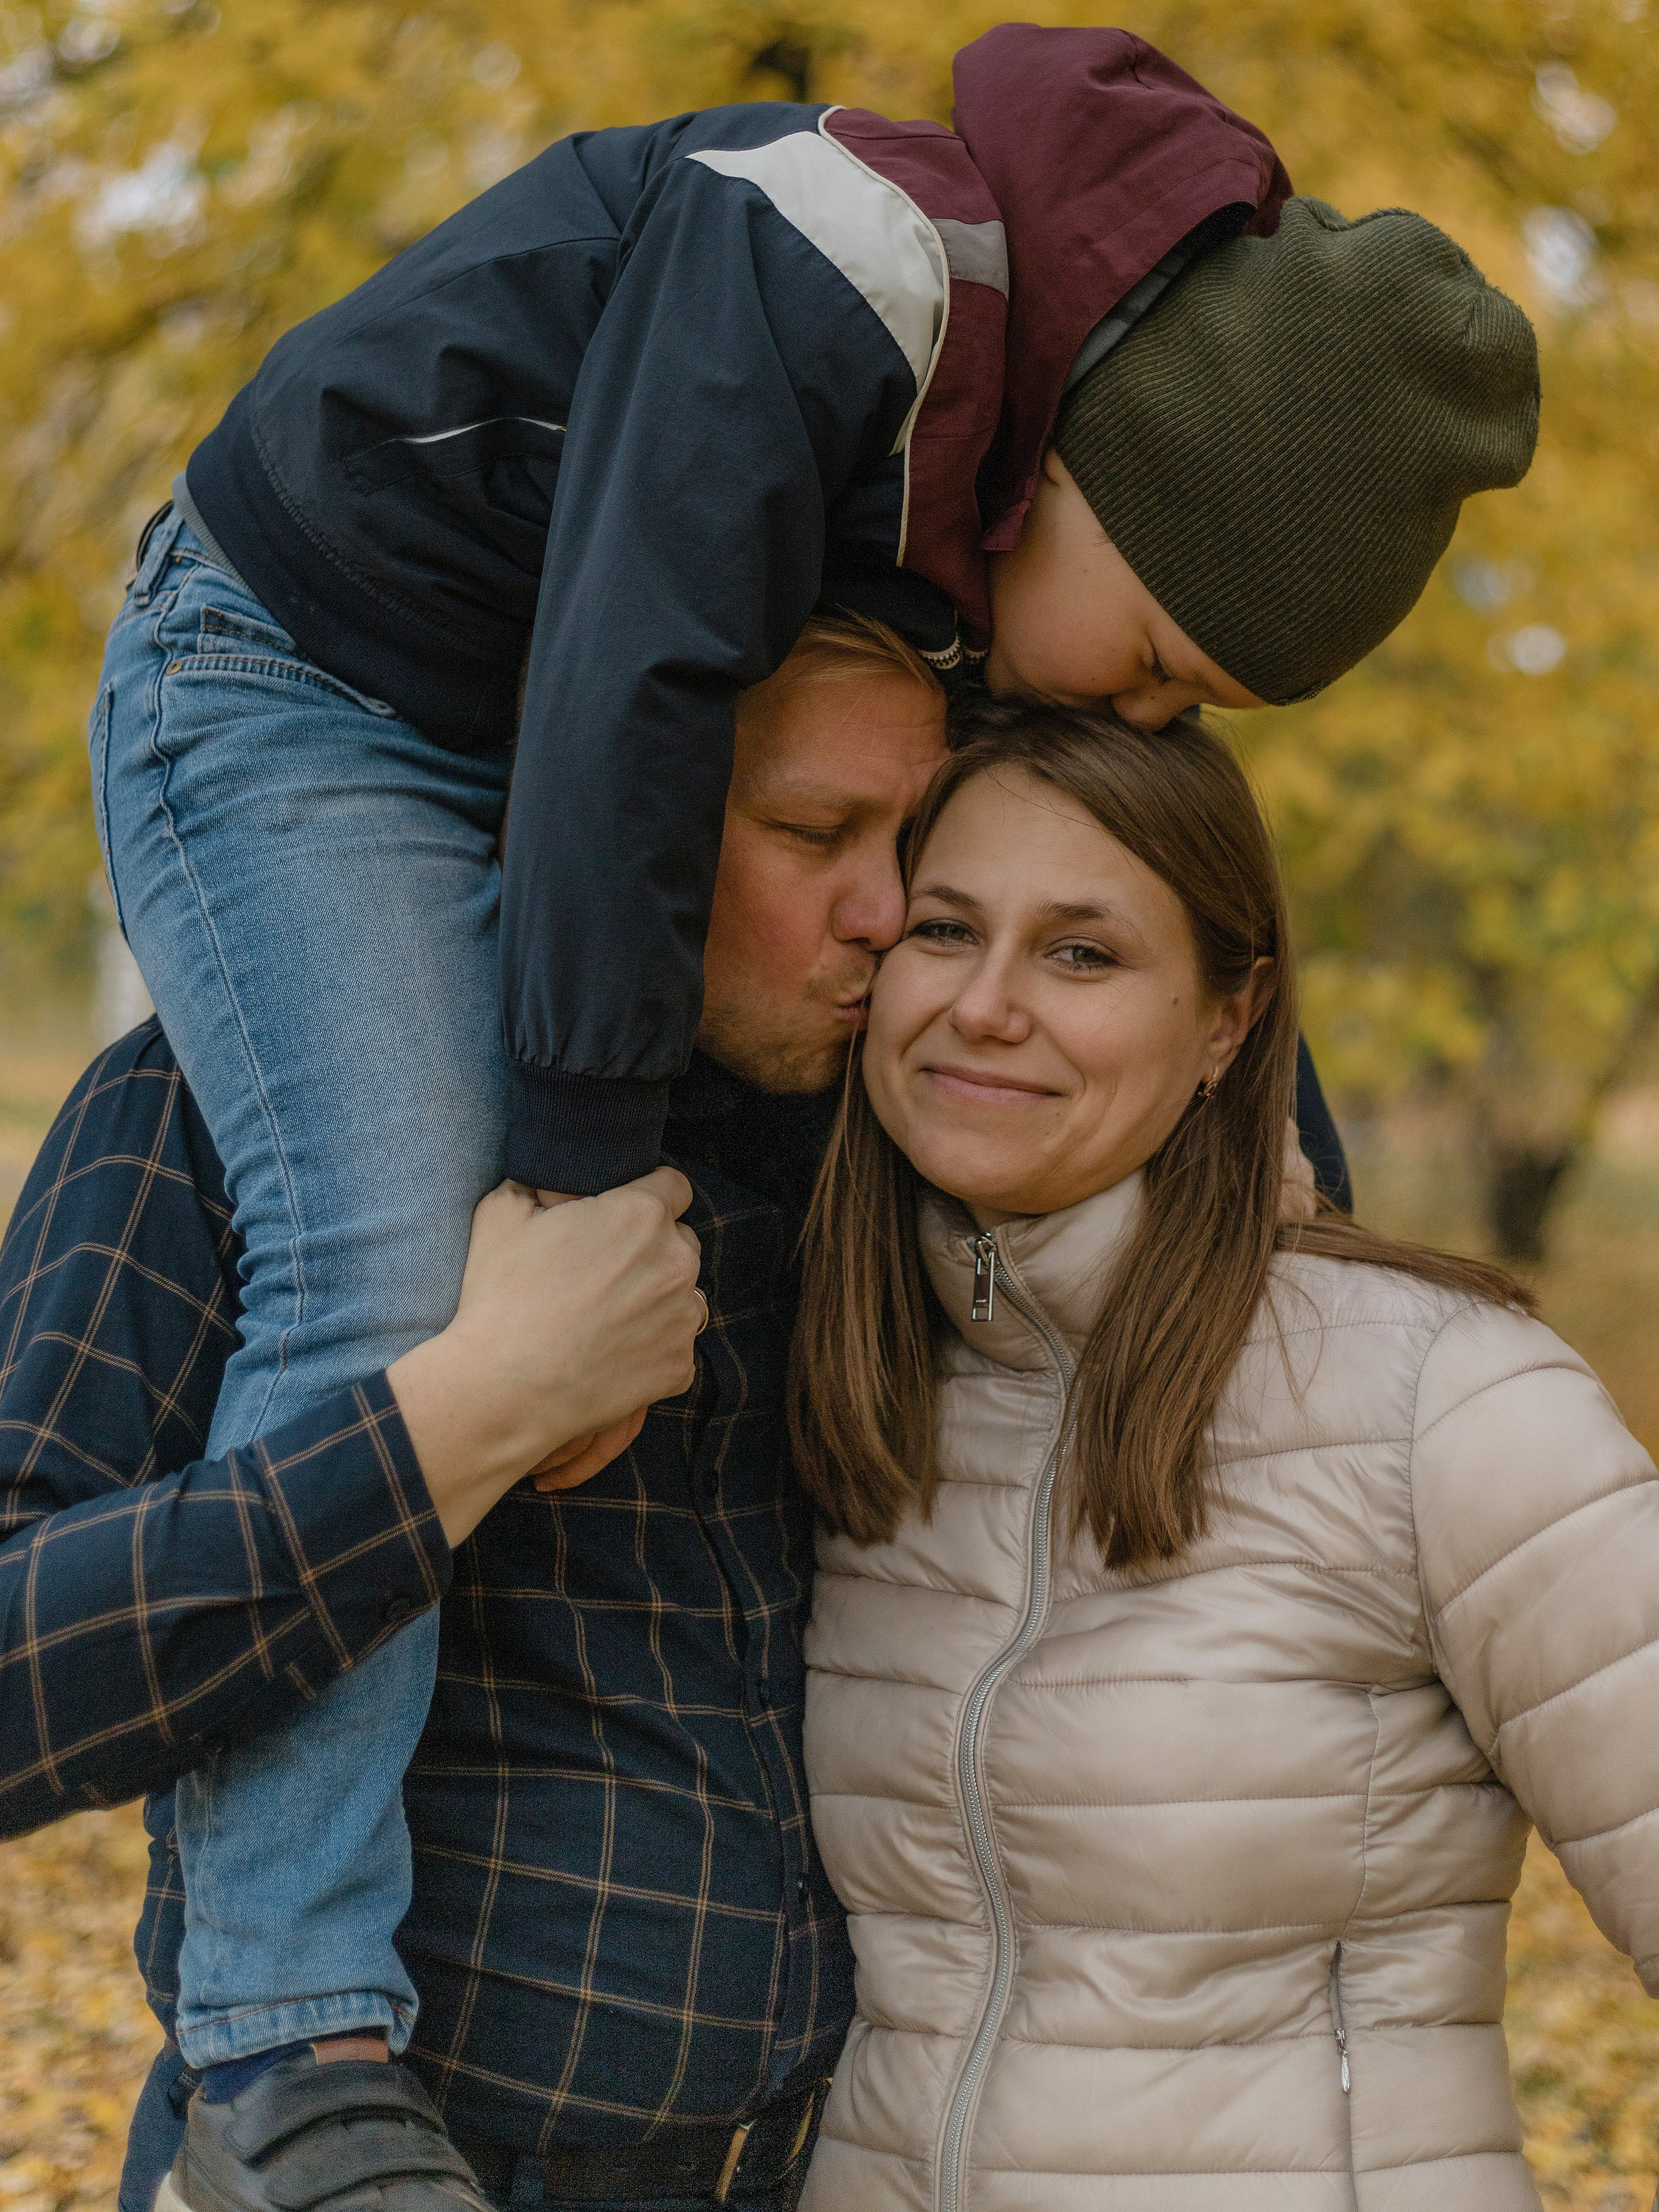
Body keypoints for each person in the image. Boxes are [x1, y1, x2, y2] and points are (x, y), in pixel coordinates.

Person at [82, 21, 1533, 2198]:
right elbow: (625, 699)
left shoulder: (978, 509)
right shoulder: (830, 260)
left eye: (1171, 710)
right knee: (392, 1264)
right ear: (1110, 486)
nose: (1122, 712)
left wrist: (1268, 1127)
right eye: (1152, 661)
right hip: (308, 675)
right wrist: (578, 1198)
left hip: (536, 705)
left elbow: (1124, 865)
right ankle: (289, 2022)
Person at [4, 620, 973, 2211]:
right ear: (612, 816)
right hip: (371, 2170)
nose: (881, 913)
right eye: (811, 835)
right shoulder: (238, 1104)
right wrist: (446, 1428)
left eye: (912, 844)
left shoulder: (865, 1142)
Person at [789, 701, 1659, 2212]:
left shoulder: (1433, 1398)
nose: (984, 1005)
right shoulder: (858, 1393)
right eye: (945, 929)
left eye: (1081, 953)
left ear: (1225, 1020)